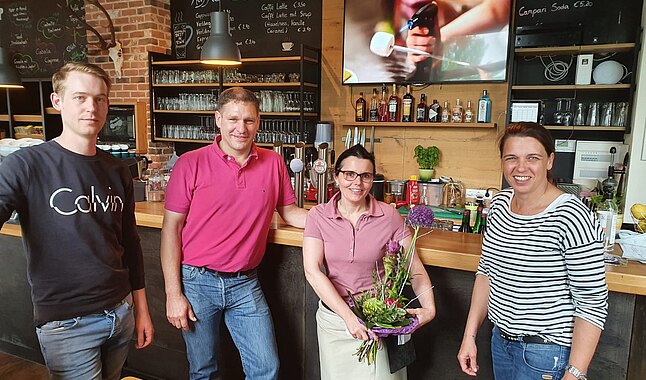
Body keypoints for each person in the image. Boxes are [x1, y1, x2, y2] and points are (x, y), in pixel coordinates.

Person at [0, 62, 154, 379]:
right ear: (58, 101)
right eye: (80, 97)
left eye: (100, 99)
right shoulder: (26, 165)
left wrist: (141, 310)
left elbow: (130, 244)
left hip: (120, 313)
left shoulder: (117, 169)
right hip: (66, 324)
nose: (91, 108)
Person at [161, 87, 308, 380]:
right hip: (197, 282)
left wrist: (336, 218)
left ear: (259, 121)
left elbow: (289, 212)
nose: (241, 128)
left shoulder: (273, 162)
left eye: (249, 120)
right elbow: (171, 229)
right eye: (233, 119)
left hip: (245, 284)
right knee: (204, 370)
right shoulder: (191, 163)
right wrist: (173, 294)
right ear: (218, 119)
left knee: (266, 368)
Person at [457, 122, 608, 379]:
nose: (521, 168)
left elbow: (591, 303)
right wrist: (469, 336)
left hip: (545, 353)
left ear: (550, 160)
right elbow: (486, 274)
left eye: (533, 158)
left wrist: (575, 373)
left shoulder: (571, 215)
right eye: (511, 158)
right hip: (500, 342)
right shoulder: (500, 205)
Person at [303, 144, 436, 379]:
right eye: (349, 175)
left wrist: (430, 309)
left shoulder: (389, 216)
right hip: (335, 321)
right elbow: (313, 271)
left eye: (365, 176)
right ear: (336, 176)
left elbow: (413, 269)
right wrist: (348, 317)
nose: (357, 183)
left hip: (379, 324)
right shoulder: (318, 216)